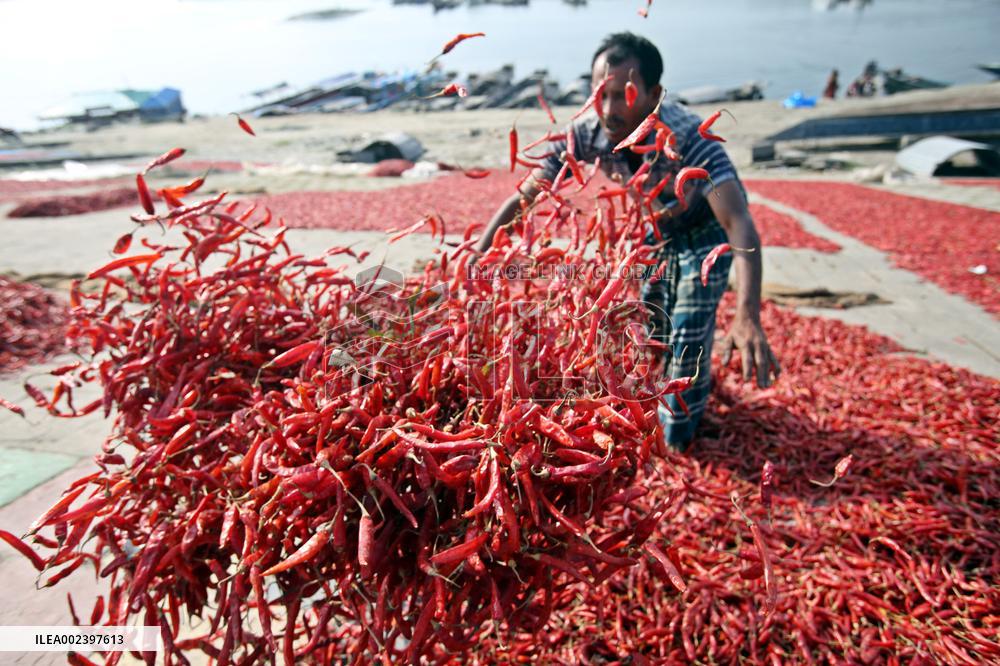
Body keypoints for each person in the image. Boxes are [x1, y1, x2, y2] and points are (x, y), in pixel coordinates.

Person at [475, 32, 780, 450]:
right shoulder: (586, 134)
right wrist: (478, 259)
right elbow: (525, 197)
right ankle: (667, 413)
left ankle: (677, 444)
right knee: (651, 332)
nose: (608, 109)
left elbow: (738, 223)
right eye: (599, 94)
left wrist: (748, 314)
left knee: (687, 333)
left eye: (622, 95)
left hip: (703, 234)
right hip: (652, 233)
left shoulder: (691, 139)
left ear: (653, 93)